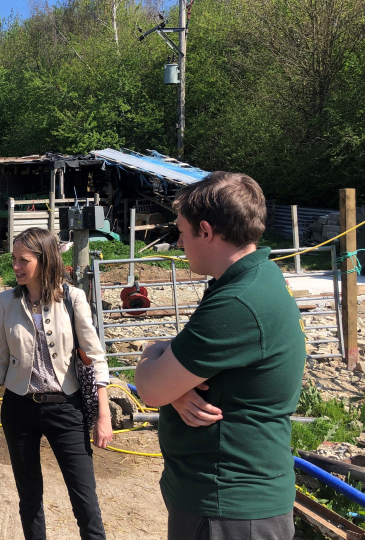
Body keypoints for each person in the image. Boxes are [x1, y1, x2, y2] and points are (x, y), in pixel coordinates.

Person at [134, 172, 304, 540]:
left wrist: (152, 357)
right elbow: (178, 372)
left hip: (228, 505)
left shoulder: (238, 303)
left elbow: (149, 389)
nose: (179, 242)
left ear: (207, 231)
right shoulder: (254, 279)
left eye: (182, 231)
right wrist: (176, 388)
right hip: (227, 499)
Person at [0, 227, 112, 540]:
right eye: (13, 259)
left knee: (84, 499)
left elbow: (96, 357)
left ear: (45, 260)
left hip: (67, 409)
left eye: (23, 260)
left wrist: (103, 416)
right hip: (19, 409)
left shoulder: (73, 299)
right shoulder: (6, 302)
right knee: (29, 498)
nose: (15, 266)